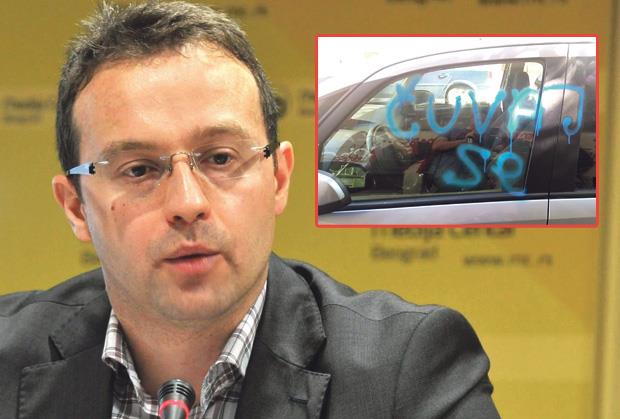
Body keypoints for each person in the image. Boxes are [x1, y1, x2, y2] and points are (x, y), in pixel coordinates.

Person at [0, 2, 501, 418]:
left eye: (220, 158)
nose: (188, 203)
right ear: (76, 208)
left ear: (279, 178)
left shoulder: (406, 370)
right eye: (139, 170)